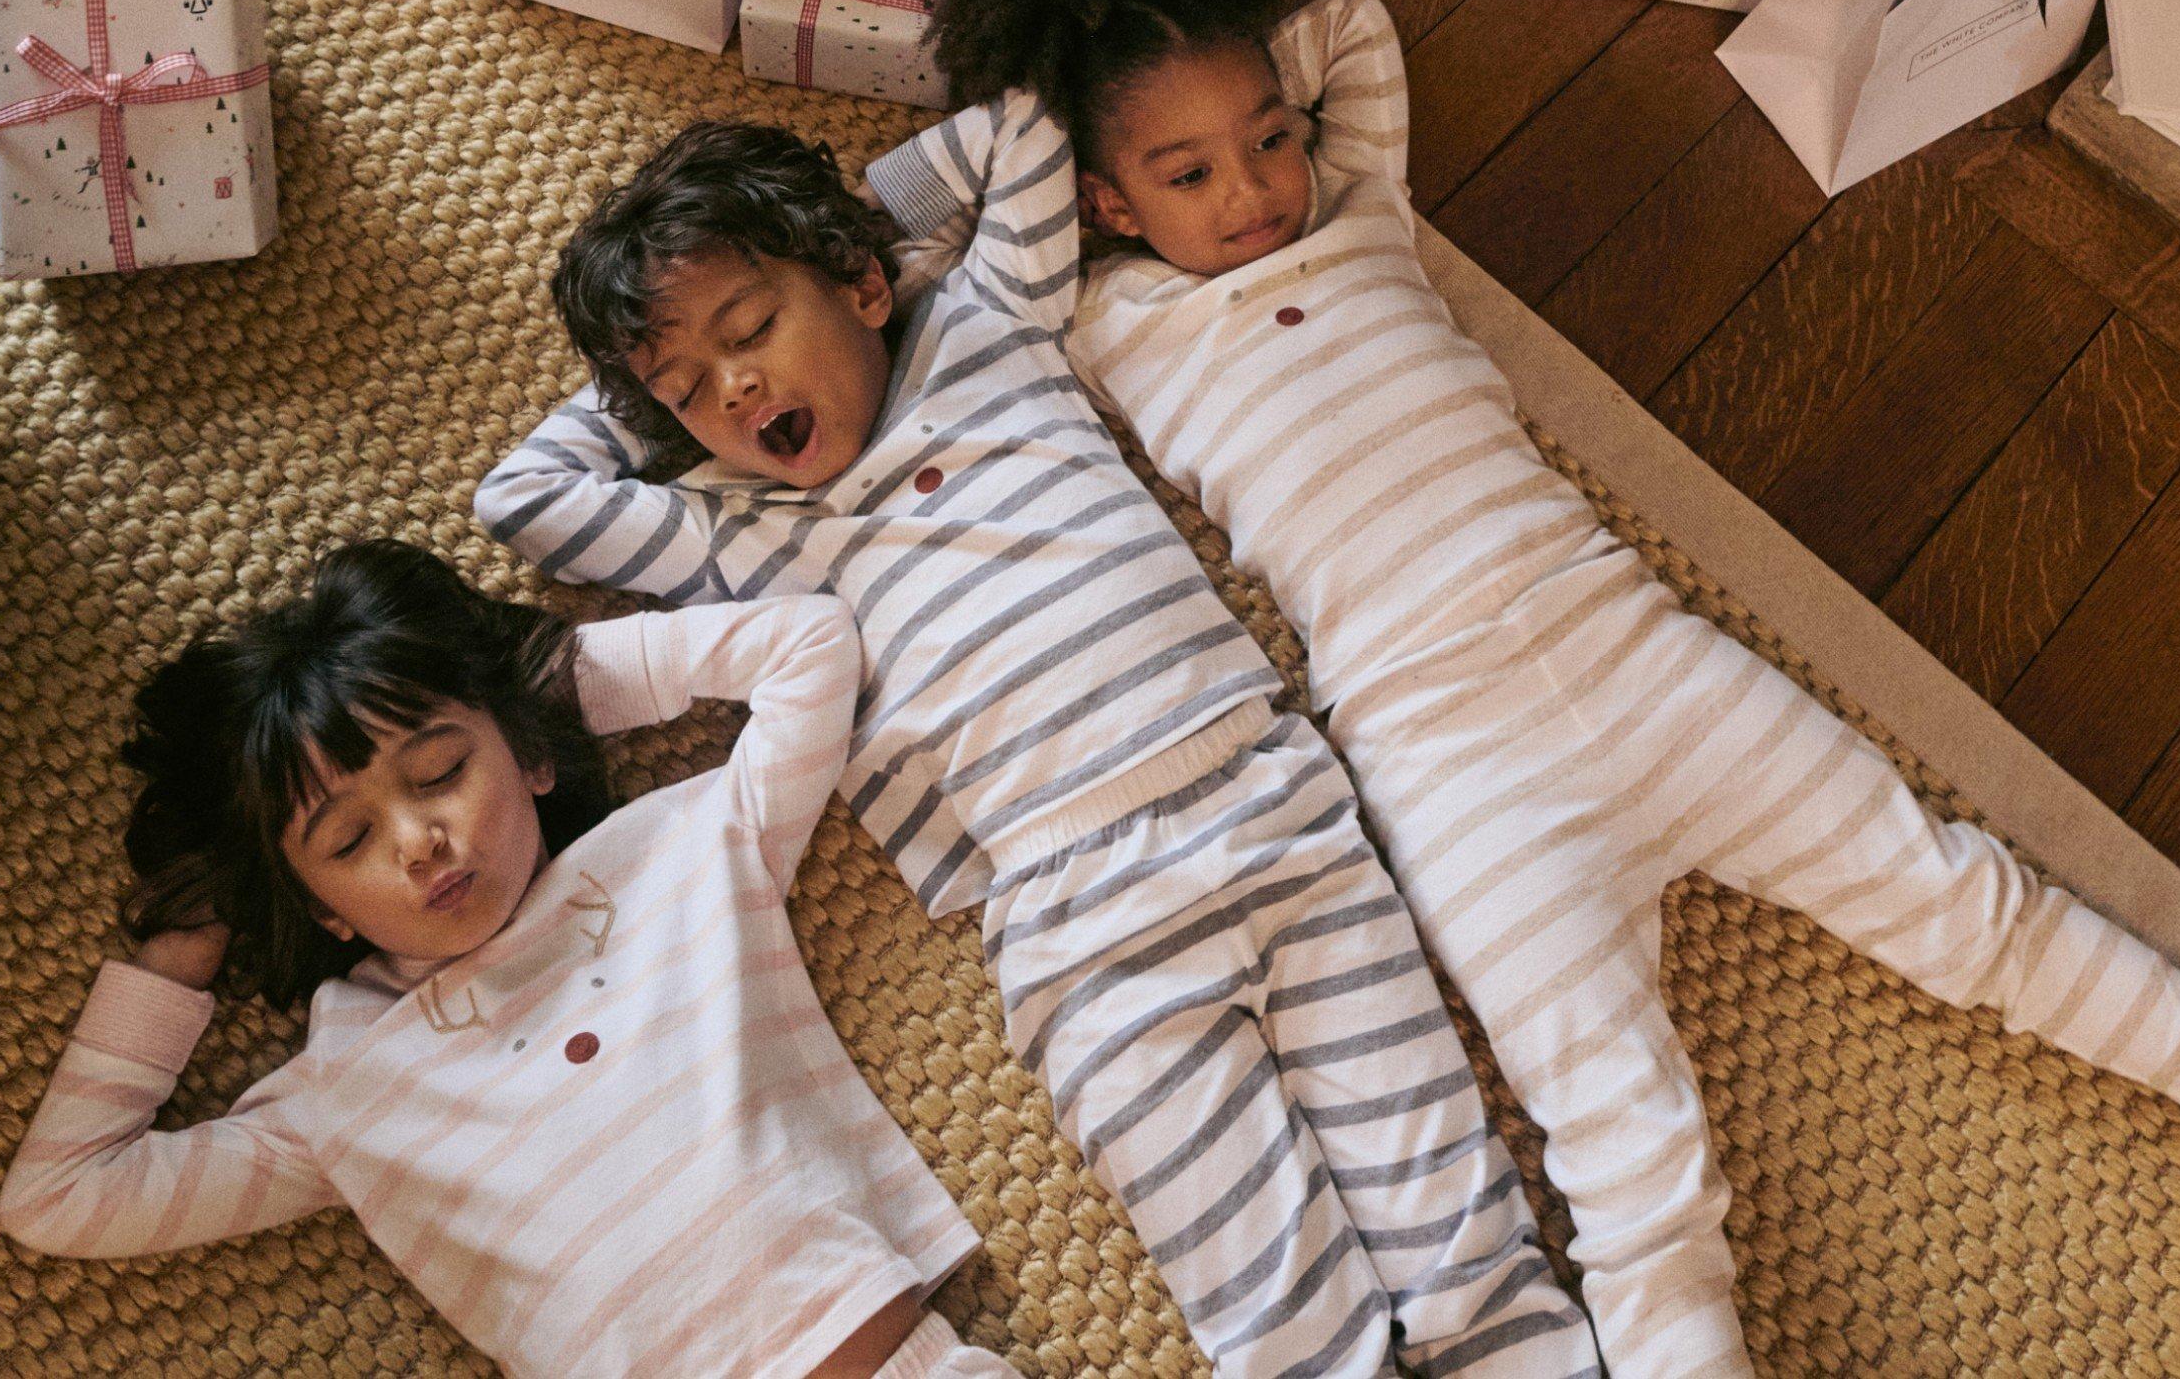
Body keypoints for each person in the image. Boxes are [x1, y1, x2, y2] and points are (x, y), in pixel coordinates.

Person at [921, 0, 2180, 1368]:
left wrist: (1178, 17)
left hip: (1637, 651)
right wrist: (1062, 108)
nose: (1256, 186)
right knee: (1622, 1147)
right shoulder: (1107, 327)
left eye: (1265, 136)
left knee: (1953, 896)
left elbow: (1345, 29)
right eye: (1188, 172)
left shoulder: (1361, 207)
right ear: (1106, 201)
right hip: (1448, 764)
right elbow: (970, 242)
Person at [472, 103, 1597, 1376]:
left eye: (751, 328)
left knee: (1466, 1252)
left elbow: (1019, 134)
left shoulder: (982, 324)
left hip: (1269, 812)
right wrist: (648, 378)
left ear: (857, 284)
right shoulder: (730, 528)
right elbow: (521, 499)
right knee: (1284, 1324)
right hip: (1074, 926)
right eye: (692, 389)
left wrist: (859, 235)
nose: (732, 387)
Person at [0, 540, 1010, 1377]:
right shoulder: (351, 1084)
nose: (417, 840)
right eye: (348, 843)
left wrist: (554, 687)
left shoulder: (680, 854)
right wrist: (182, 954)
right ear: (320, 906)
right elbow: (62, 1196)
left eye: (440, 771)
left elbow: (808, 647)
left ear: (527, 753)